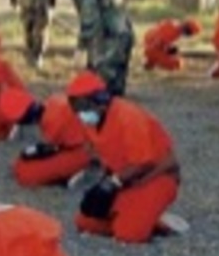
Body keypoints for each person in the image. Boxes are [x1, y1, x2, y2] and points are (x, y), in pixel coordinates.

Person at [65, 71, 184, 243]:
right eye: (74, 106)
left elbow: (143, 163)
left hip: (156, 177)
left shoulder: (128, 117)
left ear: (100, 101)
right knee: (84, 222)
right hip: (127, 180)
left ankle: (151, 221)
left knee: (129, 234)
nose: (79, 111)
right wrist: (104, 182)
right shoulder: (92, 121)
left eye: (81, 105)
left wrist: (112, 183)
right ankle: (140, 217)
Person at [42, 0, 134, 96]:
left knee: (101, 94)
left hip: (109, 39)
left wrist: (82, 48)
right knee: (114, 92)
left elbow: (90, 14)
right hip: (122, 34)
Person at [0, 88, 91, 188]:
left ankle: (73, 172)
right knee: (22, 165)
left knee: (26, 174)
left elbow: (58, 149)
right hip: (85, 143)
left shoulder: (51, 126)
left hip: (83, 152)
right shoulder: (53, 100)